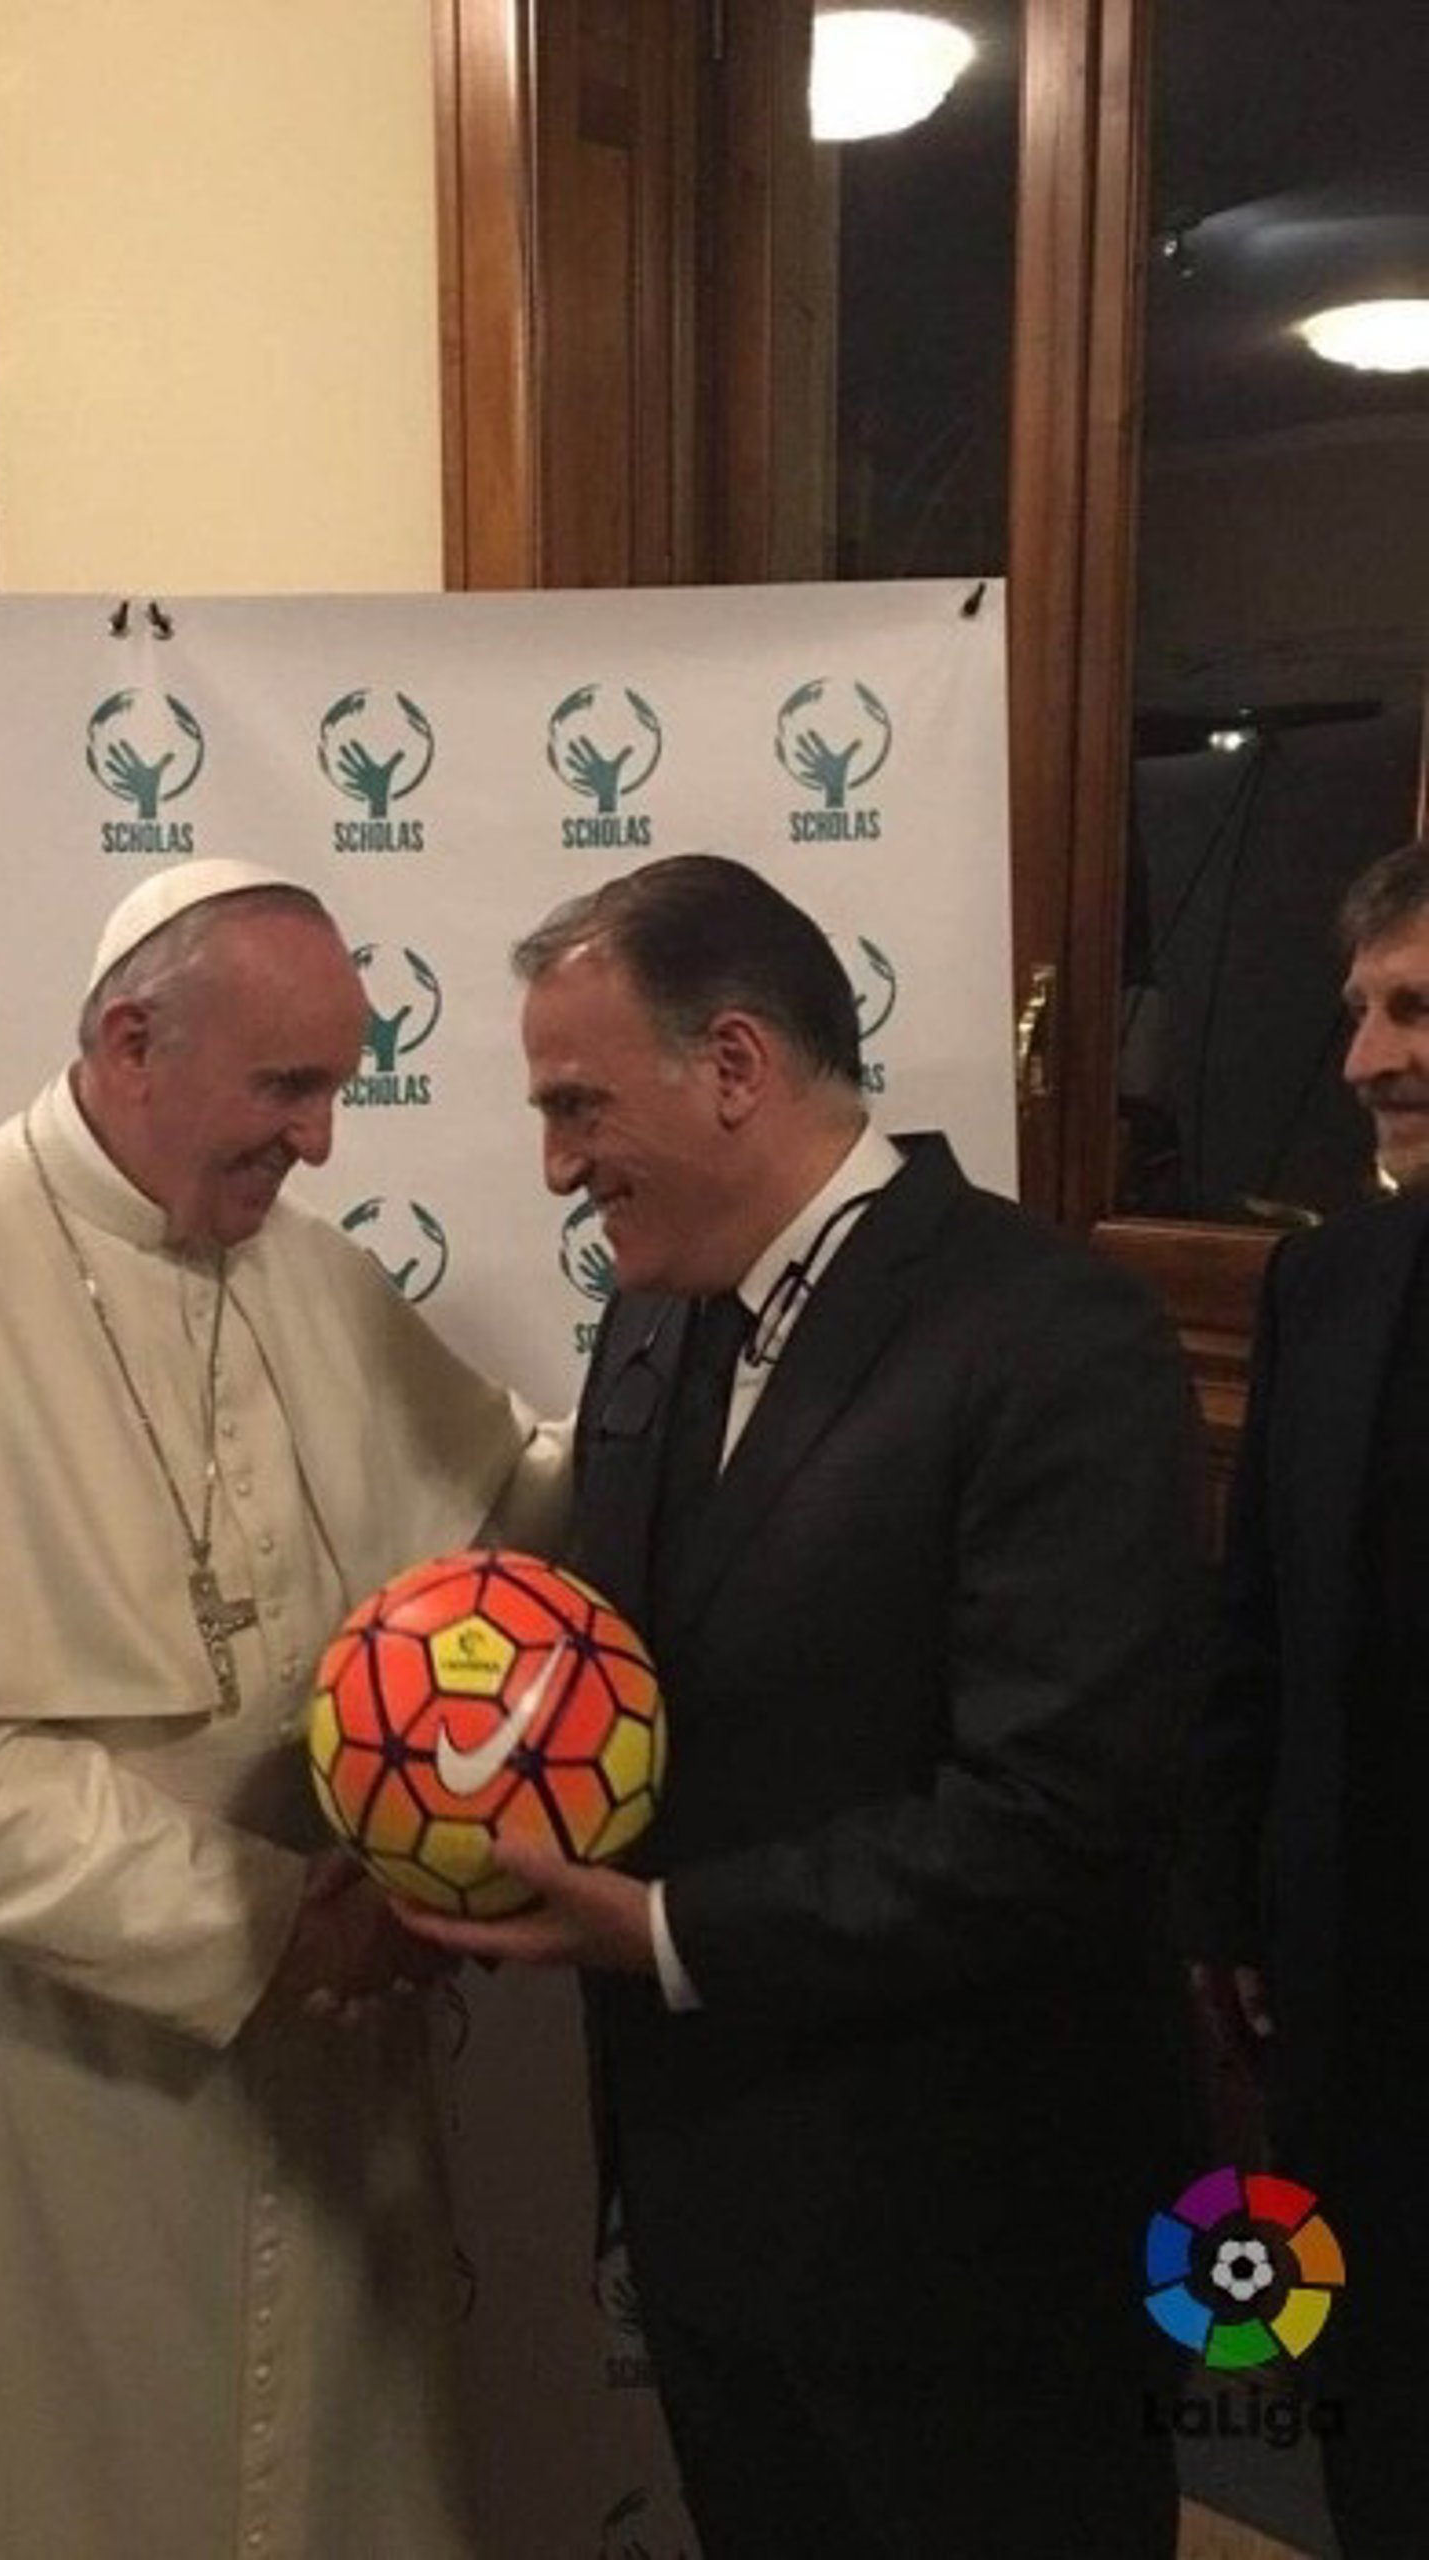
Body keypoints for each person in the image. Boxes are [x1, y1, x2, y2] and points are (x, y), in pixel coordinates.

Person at [0, 858, 563, 2560]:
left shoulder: (302, 1272)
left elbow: (498, 1507)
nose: (320, 1141)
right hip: (30, 2046)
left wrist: (710, 1404)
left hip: (308, 2034)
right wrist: (283, 1924)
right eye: (286, 1086)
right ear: (134, 1043)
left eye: (337, 1088)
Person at [399, 852, 1203, 2558]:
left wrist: (665, 1930)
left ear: (736, 1066)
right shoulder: (648, 1324)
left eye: (576, 1105)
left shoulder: (1054, 1336)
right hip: (714, 2238)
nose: (556, 1167)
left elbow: (1056, 1819)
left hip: (978, 2261)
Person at [1179, 838, 1429, 2558]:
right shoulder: (1325, 1284)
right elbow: (1255, 1622)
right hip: (1355, 2000)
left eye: (1412, 1011)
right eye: (1359, 1011)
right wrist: (1225, 1899)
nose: (1362, 1059)